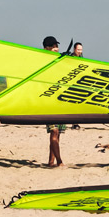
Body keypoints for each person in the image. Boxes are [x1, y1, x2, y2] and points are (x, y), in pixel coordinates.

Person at [42, 36, 65, 168]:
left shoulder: (59, 61)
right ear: (47, 48)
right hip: (48, 103)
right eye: (54, 47)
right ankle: (60, 161)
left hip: (60, 102)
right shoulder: (42, 61)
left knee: (58, 134)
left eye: (57, 46)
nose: (56, 49)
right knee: (54, 131)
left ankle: (51, 162)